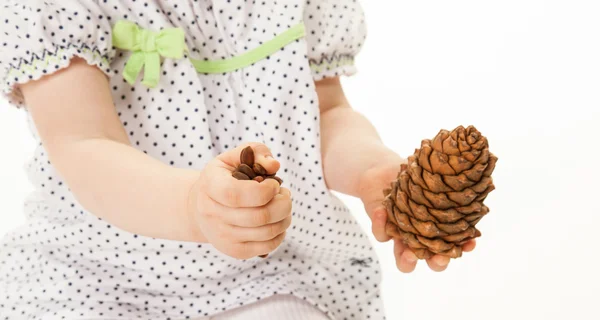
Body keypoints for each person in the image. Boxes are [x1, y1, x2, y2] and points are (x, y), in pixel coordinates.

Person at [0, 1, 475, 319]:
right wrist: (191, 205)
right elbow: (83, 145)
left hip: (265, 269)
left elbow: (326, 111)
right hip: (95, 275)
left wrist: (371, 169)